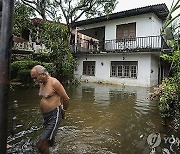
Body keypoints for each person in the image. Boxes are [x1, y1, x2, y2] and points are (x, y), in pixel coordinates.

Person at [30, 65, 70, 154]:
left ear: (43, 74)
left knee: (41, 144)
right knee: (50, 139)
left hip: (54, 114)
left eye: (35, 77)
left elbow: (66, 98)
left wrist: (64, 110)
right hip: (46, 116)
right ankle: (55, 149)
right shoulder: (41, 82)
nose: (34, 80)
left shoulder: (54, 82)